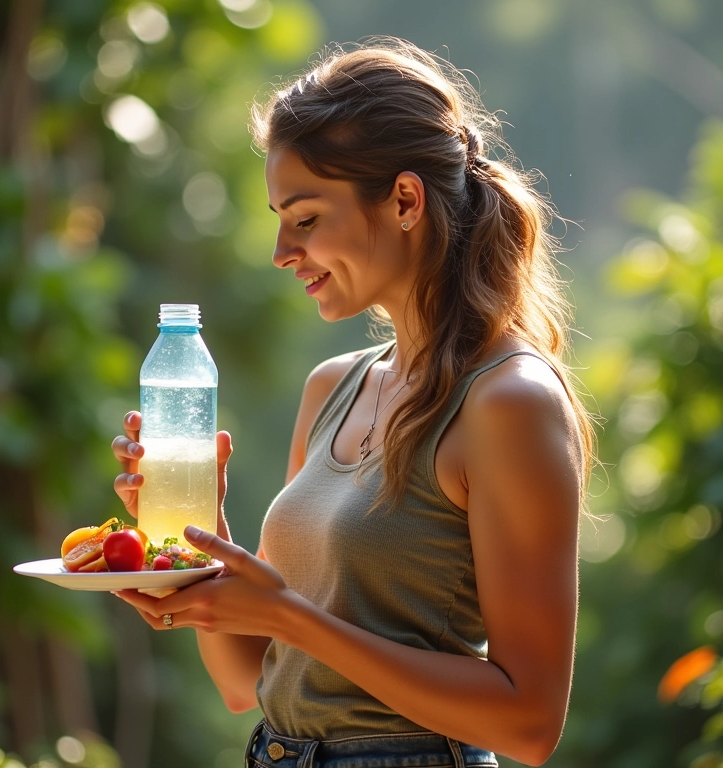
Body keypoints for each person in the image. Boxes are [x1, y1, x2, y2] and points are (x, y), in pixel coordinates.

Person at [111, 37, 595, 768]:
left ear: (404, 199)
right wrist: (199, 543)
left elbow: (529, 724)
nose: (280, 250)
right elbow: (249, 682)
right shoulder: (333, 387)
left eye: (304, 218)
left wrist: (289, 617)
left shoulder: (508, 402)